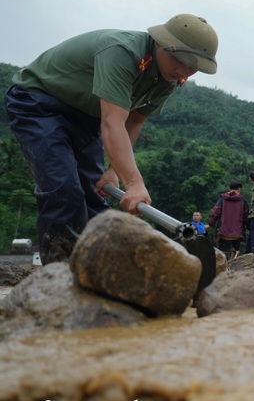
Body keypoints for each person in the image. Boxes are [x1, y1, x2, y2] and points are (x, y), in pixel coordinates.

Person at [3, 14, 219, 263]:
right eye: (179, 60)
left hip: (86, 117)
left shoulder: (167, 79)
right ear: (160, 43)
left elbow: (135, 120)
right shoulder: (123, 52)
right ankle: (61, 270)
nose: (184, 70)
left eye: (193, 66)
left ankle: (101, 267)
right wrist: (134, 183)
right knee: (64, 188)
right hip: (39, 101)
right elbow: (113, 122)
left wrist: (114, 171)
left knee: (95, 194)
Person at [209, 181, 250, 260]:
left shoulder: (222, 199)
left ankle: (223, 266)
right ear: (239, 189)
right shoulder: (243, 200)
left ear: (229, 188)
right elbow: (246, 215)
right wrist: (248, 226)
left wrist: (211, 223)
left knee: (222, 254)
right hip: (237, 233)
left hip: (223, 232)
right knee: (236, 254)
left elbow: (216, 212)